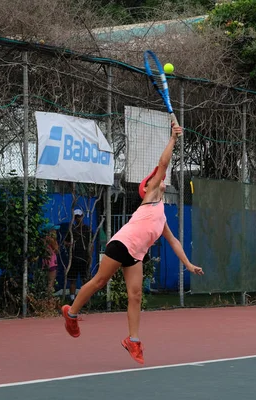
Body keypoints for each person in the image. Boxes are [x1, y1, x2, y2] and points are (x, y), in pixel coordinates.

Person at [61, 122, 204, 365]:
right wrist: (172, 139)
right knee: (99, 281)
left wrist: (189, 264)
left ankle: (133, 341)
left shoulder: (161, 217)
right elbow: (163, 164)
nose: (159, 179)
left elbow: (174, 242)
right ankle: (71, 313)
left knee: (135, 295)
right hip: (122, 244)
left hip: (136, 254)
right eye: (154, 179)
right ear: (147, 188)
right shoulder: (150, 197)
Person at [64, 208, 91, 303]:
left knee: (84, 279)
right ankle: (72, 299)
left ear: (82, 217)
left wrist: (89, 257)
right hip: (74, 258)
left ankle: (85, 299)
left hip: (83, 258)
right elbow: (65, 242)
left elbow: (91, 244)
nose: (78, 219)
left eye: (79, 216)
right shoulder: (72, 229)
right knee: (73, 279)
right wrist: (70, 244)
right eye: (76, 217)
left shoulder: (87, 229)